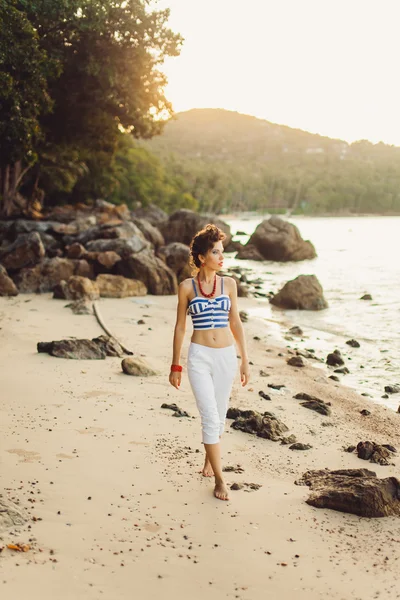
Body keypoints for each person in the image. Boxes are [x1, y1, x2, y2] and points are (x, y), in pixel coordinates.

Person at [169, 223, 249, 501]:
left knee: (221, 413)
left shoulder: (229, 284)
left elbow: (235, 322)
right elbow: (180, 327)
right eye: (216, 252)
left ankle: (208, 458)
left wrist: (244, 360)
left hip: (226, 357)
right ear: (202, 257)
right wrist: (175, 365)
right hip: (200, 357)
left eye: (222, 251)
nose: (222, 257)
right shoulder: (186, 288)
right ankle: (220, 479)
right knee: (209, 416)